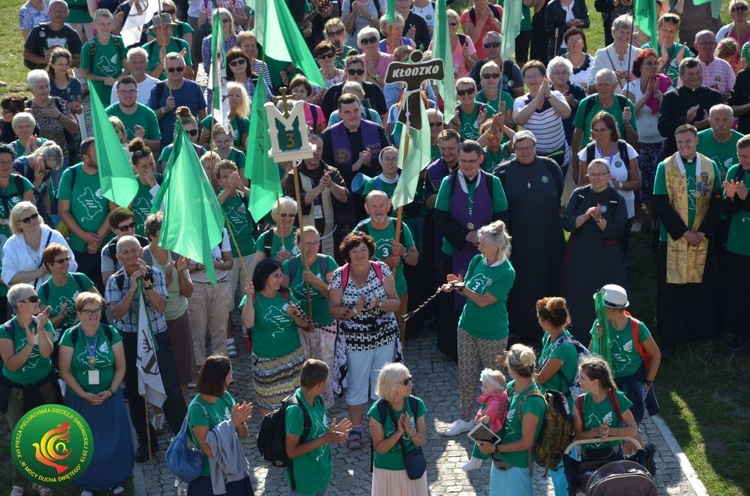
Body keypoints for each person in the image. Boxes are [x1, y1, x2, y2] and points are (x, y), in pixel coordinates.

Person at [105, 235, 187, 462]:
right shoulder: (115, 281)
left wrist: (147, 285)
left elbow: (161, 307)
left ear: (141, 252)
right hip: (130, 340)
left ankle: (184, 437)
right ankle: (146, 442)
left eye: (135, 250)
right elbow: (117, 314)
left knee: (170, 389)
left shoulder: (156, 273)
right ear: (119, 257)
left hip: (157, 337)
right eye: (126, 252)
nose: (131, 256)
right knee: (135, 391)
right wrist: (131, 290)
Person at [433, 140, 508, 358]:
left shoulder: (493, 182)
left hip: (487, 253)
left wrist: (485, 237)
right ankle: (454, 349)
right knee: (455, 298)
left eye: (471, 161)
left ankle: (485, 346)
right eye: (463, 161)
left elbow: (503, 216)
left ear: (480, 159)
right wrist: (465, 235)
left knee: (484, 295)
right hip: (454, 250)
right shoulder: (449, 182)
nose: (467, 165)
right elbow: (440, 217)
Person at [440, 220, 515, 437]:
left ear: (496, 247)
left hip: (493, 332)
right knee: (466, 375)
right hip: (467, 326)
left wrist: (464, 288)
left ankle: (493, 422)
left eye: (482, 244)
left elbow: (483, 300)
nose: (478, 247)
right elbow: (471, 288)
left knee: (493, 381)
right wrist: (457, 285)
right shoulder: (477, 261)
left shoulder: (507, 272)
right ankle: (464, 419)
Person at [654, 124, 721, 360]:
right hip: (674, 239)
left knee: (699, 285)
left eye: (688, 141)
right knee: (673, 289)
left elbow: (716, 200)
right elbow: (661, 204)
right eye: (680, 141)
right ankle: (671, 337)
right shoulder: (665, 167)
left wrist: (702, 232)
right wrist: (684, 233)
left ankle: (697, 333)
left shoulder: (710, 166)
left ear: (696, 141)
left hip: (701, 239)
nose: (684, 145)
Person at [328, 232, 401, 451]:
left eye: (363, 249)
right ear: (347, 254)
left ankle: (383, 425)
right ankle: (356, 428)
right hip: (355, 339)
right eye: (354, 250)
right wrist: (353, 311)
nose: (359, 254)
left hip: (384, 335)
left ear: (370, 250)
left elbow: (395, 302)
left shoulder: (381, 269)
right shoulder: (340, 276)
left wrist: (380, 303)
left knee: (384, 383)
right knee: (357, 383)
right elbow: (334, 309)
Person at [58, 292, 132, 495]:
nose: (93, 315)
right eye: (88, 311)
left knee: (114, 438)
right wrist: (83, 393)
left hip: (109, 397)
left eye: (97, 310)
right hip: (80, 399)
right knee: (83, 440)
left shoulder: (110, 333)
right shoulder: (70, 336)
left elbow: (120, 366)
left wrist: (110, 391)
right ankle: (86, 483)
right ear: (79, 313)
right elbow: (65, 370)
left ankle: (116, 479)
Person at [494, 131, 565, 341]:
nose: (525, 152)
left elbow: (557, 193)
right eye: (520, 148)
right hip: (517, 241)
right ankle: (520, 330)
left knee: (548, 281)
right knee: (520, 286)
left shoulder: (550, 167)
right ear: (513, 150)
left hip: (548, 239)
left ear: (535, 147)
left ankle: (550, 328)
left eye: (529, 147)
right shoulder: (503, 172)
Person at [0, 283, 60, 496]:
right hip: (16, 390)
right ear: (19, 305)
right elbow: (12, 365)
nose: (38, 301)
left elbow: (46, 353)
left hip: (43, 386)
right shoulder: (5, 331)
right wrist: (28, 344)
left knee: (44, 434)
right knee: (20, 435)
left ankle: (41, 481)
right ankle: (20, 483)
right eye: (33, 299)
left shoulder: (43, 323)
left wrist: (41, 329)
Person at [561, 159, 627, 341]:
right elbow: (566, 222)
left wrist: (599, 219)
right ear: (587, 175)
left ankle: (609, 337)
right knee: (577, 297)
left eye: (601, 174)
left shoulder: (616, 199)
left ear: (608, 176)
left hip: (606, 259)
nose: (597, 178)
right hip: (579, 256)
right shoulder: (579, 194)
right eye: (593, 174)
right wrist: (586, 216)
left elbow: (617, 231)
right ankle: (576, 338)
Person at [240, 258, 308, 417]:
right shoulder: (253, 298)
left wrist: (295, 315)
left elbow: (303, 323)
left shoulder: (286, 295)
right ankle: (271, 436)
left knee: (295, 401)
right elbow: (248, 323)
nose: (281, 279)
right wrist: (249, 298)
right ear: (264, 277)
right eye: (276, 276)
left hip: (293, 358)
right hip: (266, 362)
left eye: (281, 275)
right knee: (268, 403)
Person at [475, 344, 546, 496]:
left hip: (517, 467)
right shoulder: (511, 387)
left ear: (513, 371)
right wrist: (482, 414)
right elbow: (493, 405)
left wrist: (495, 449)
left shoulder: (532, 402)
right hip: (501, 461)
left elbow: (527, 443)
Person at [281, 227, 339, 407]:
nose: (311, 247)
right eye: (306, 243)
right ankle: (303, 405)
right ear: (298, 244)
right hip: (299, 326)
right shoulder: (289, 266)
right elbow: (282, 294)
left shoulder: (327, 262)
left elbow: (335, 295)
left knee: (324, 366)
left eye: (315, 242)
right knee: (302, 367)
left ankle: (325, 405)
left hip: (325, 325)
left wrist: (315, 281)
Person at [590, 284, 662, 425]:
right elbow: (590, 355)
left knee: (631, 427)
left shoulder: (637, 327)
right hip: (610, 384)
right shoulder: (599, 325)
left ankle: (639, 447)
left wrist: (647, 383)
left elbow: (656, 354)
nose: (599, 310)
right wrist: (595, 339)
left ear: (611, 309)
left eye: (602, 306)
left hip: (633, 385)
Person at [355, 191, 419, 343]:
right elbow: (353, 266)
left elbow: (414, 260)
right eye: (374, 206)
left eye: (382, 205)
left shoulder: (399, 226)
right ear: (366, 208)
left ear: (389, 206)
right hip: (370, 295)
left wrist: (403, 252)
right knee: (374, 338)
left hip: (398, 292)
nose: (378, 209)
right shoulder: (360, 231)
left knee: (398, 337)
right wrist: (385, 263)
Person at [143, 213, 196, 397]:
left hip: (179, 318)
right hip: (155, 324)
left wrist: (180, 273)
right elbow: (145, 296)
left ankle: (182, 411)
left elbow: (188, 292)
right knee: (158, 371)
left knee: (182, 370)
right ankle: (160, 416)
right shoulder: (143, 258)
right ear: (151, 235)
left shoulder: (176, 253)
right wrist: (165, 280)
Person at [187, 355, 254, 495]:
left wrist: (240, 420)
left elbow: (243, 436)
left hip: (232, 470)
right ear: (219, 379)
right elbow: (208, 450)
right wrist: (232, 423)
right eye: (229, 373)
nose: (232, 375)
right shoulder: (197, 408)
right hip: (209, 478)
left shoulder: (225, 396)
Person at [285, 359, 352, 495]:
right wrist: (326, 438)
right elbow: (291, 452)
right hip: (304, 483)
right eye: (326, 380)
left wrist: (333, 432)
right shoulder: (295, 411)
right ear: (319, 384)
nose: (327, 384)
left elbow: (319, 429)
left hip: (321, 476)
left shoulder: (317, 399)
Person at [577, 111, 641, 252]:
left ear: (612, 130)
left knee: (620, 246)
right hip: (596, 209)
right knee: (598, 248)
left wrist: (619, 185)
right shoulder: (587, 152)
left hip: (623, 208)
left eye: (603, 130)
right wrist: (599, 184)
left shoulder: (626, 149)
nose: (599, 134)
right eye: (596, 131)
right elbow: (581, 185)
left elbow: (637, 183)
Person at [282, 134, 351, 259]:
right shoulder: (293, 175)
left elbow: (345, 198)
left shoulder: (332, 172)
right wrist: (318, 189)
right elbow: (294, 205)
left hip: (330, 238)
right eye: (311, 148)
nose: (315, 152)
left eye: (319, 148)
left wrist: (331, 185)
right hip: (303, 241)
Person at [57, 138, 114, 290]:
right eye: (97, 154)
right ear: (85, 157)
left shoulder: (108, 175)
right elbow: (63, 211)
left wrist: (97, 239)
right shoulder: (71, 174)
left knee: (105, 292)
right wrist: (85, 236)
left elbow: (114, 210)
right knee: (84, 292)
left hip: (106, 246)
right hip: (79, 247)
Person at [625, 48, 670, 232]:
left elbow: (667, 111)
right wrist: (646, 96)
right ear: (640, 67)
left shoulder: (666, 84)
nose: (653, 66)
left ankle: (653, 217)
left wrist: (658, 95)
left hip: (660, 141)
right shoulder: (631, 87)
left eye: (655, 63)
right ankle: (637, 217)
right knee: (638, 180)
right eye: (648, 63)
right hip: (639, 142)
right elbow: (630, 112)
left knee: (656, 182)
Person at [369, 362, 428, 494]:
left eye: (410, 379)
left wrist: (411, 431)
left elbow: (421, 440)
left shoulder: (416, 404)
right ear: (393, 385)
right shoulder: (378, 410)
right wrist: (399, 432)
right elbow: (380, 448)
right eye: (406, 381)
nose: (411, 384)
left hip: (412, 468)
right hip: (387, 471)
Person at [573, 356, 638, 463]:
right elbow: (578, 436)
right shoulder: (580, 402)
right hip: (589, 459)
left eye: (582, 378)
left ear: (595, 382)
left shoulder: (617, 398)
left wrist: (611, 431)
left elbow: (633, 429)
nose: (578, 380)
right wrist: (596, 431)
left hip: (614, 457)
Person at [320, 93, 390, 189]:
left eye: (356, 110)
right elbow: (325, 168)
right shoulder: (328, 135)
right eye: (347, 112)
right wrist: (353, 167)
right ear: (340, 114)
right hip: (344, 187)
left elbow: (389, 158)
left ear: (361, 109)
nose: (353, 115)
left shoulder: (377, 130)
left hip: (374, 186)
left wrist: (370, 162)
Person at [513, 61, 571, 174]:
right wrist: (537, 99)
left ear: (545, 78)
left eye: (536, 75)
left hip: (560, 155)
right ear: (524, 81)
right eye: (528, 76)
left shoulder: (556, 95)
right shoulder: (520, 101)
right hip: (534, 157)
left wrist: (548, 95)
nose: (532, 79)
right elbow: (519, 120)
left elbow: (566, 113)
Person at [2, 201, 75, 291]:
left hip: (55, 294)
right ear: (18, 224)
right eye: (26, 220)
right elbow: (8, 277)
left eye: (34, 216)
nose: (32, 221)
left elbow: (72, 265)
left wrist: (53, 268)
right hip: (26, 300)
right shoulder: (11, 244)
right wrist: (39, 273)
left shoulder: (54, 236)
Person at [658, 57, 724, 157]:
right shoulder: (670, 97)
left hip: (708, 151)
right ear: (681, 76)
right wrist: (686, 120)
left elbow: (726, 125)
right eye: (690, 74)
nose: (695, 77)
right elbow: (663, 129)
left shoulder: (714, 96)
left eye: (698, 73)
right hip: (678, 152)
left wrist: (710, 122)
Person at [188, 226, 233, 364]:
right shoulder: (187, 232)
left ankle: (222, 372)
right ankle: (198, 372)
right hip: (197, 287)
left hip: (220, 285)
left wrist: (215, 265)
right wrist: (197, 267)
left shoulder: (221, 231)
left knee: (220, 331)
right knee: (197, 332)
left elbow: (229, 263)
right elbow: (181, 268)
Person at [38, 242, 95, 350]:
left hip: (87, 333)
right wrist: (61, 315)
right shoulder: (44, 290)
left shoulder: (80, 279)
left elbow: (101, 303)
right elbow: (47, 325)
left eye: (67, 259)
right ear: (49, 265)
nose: (66, 263)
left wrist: (84, 307)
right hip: (62, 340)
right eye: (60, 261)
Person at [147, 52, 207, 149]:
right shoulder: (158, 90)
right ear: (165, 70)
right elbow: (150, 118)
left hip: (191, 145)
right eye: (171, 69)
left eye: (179, 69)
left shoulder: (194, 87)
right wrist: (164, 109)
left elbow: (202, 116)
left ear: (184, 69)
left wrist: (201, 140)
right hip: (166, 146)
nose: (175, 72)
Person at [724, 135, 750, 351]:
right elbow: (728, 211)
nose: (743, 160)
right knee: (739, 292)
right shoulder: (735, 172)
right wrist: (732, 198)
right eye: (740, 156)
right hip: (738, 244)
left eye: (747, 157)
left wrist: (746, 198)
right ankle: (741, 333)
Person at [26, 69, 80, 172]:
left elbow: (75, 128)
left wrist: (59, 115)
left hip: (60, 158)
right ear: (32, 90)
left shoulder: (59, 103)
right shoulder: (27, 108)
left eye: (47, 86)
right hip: (37, 160)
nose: (45, 90)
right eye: (41, 87)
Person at [462, 368, 508, 472]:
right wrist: (479, 415)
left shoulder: (496, 398)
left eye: (485, 386)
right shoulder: (493, 396)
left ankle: (474, 462)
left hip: (493, 427)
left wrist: (487, 416)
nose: (482, 388)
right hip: (491, 425)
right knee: (480, 442)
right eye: (482, 385)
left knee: (481, 441)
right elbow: (483, 408)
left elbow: (493, 408)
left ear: (496, 389)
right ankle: (476, 462)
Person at [81, 9, 127, 106]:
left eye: (109, 23)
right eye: (102, 24)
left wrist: (116, 81)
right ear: (94, 25)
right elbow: (85, 74)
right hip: (99, 93)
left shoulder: (119, 42)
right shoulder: (88, 47)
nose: (106, 27)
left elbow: (128, 68)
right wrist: (104, 79)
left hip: (119, 91)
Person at [320, 55, 388, 119]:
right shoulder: (333, 91)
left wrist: (379, 131)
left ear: (364, 72)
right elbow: (323, 118)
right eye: (352, 71)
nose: (356, 75)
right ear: (346, 71)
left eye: (359, 72)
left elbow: (384, 115)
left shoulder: (374, 89)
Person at [105, 75, 161, 151]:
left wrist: (140, 140)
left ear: (137, 92)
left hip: (141, 160)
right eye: (123, 91)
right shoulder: (107, 114)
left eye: (131, 91)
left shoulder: (148, 114)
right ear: (117, 93)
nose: (128, 95)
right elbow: (100, 142)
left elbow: (157, 145)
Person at [23, 0, 82, 70]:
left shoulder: (72, 34)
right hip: (42, 72)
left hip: (64, 73)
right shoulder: (38, 30)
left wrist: (63, 60)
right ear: (48, 12)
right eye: (54, 10)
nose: (58, 14)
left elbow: (79, 60)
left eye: (62, 10)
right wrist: (43, 60)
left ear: (67, 13)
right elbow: (27, 54)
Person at [589, 14, 641, 91]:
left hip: (633, 100)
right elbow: (590, 85)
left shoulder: (638, 53)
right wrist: (608, 78)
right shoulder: (601, 54)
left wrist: (635, 78)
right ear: (613, 32)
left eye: (628, 33)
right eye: (622, 32)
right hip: (608, 101)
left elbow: (645, 81)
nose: (624, 35)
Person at [641, 13, 693, 88]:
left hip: (676, 94)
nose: (667, 33)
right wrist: (662, 61)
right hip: (652, 92)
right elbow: (643, 77)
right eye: (664, 29)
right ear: (658, 28)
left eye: (671, 31)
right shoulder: (646, 49)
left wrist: (680, 61)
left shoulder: (683, 50)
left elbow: (691, 79)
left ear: (676, 32)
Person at [469, 32, 524, 98]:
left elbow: (519, 97)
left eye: (495, 44)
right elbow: (469, 93)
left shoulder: (512, 68)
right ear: (484, 48)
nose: (491, 48)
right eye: (487, 46)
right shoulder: (477, 67)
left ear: (503, 46)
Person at [547, 56, 587, 146]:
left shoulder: (577, 90)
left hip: (573, 136)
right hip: (552, 137)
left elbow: (585, 111)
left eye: (564, 72)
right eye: (556, 73)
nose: (561, 75)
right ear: (550, 75)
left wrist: (573, 102)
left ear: (569, 74)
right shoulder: (547, 92)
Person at [697, 104, 743, 178]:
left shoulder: (744, 142)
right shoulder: (696, 139)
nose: (721, 124)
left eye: (725, 120)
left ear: (732, 121)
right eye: (716, 120)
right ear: (710, 121)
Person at [0, 147, 36, 241]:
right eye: (2, 161)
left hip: (21, 238)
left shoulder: (22, 182)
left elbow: (31, 214)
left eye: (9, 161)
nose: (6, 165)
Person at [430, 9, 477, 80]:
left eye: (453, 24)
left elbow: (475, 68)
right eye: (446, 24)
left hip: (463, 86)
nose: (450, 27)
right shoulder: (435, 42)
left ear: (458, 25)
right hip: (443, 85)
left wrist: (467, 58)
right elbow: (429, 67)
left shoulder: (465, 40)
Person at [254, 197, 300, 263]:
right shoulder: (265, 238)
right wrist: (275, 263)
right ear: (273, 215)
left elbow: (309, 264)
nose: (287, 218)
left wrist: (291, 259)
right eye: (283, 215)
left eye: (291, 215)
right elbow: (259, 269)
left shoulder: (301, 236)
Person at [693, 30, 735, 101]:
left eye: (711, 43)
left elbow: (734, 93)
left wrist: (714, 93)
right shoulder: (689, 67)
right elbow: (681, 93)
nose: (708, 46)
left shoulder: (725, 66)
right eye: (703, 43)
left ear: (715, 45)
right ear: (696, 46)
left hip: (720, 108)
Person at [452, 77, 498, 141]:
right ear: (457, 95)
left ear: (476, 91)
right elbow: (452, 143)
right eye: (461, 92)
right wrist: (457, 125)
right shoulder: (452, 113)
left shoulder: (487, 110)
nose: (466, 95)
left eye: (470, 91)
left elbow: (493, 138)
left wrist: (480, 126)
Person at [47, 47, 83, 117]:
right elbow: (45, 107)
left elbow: (80, 110)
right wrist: (67, 106)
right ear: (52, 65)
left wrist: (77, 107)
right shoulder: (46, 84)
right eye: (60, 64)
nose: (64, 67)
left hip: (72, 124)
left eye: (66, 64)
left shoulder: (75, 83)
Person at [716, 0, 750, 71]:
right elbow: (716, 56)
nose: (740, 11)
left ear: (748, 12)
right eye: (735, 9)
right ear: (730, 15)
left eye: (743, 8)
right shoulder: (724, 32)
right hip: (728, 73)